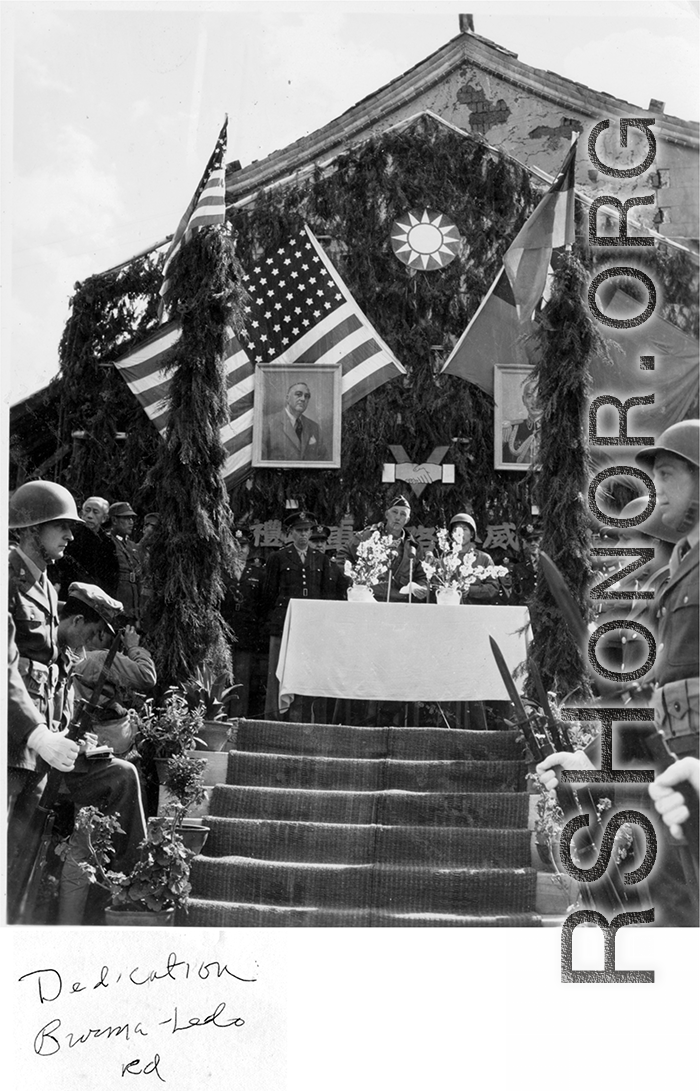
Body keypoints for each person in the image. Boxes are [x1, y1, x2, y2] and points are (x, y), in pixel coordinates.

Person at [535, 420, 699, 925]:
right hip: (673, 780)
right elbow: (656, 701)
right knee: (676, 908)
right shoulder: (681, 575)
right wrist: (590, 758)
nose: (655, 490)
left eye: (667, 474)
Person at [7, 481, 146, 924]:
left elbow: (51, 675)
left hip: (41, 754)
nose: (70, 536)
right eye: (61, 527)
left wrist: (68, 738)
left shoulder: (48, 588)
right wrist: (37, 735)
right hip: (15, 747)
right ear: (31, 529)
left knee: (23, 872)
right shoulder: (9, 579)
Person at [261, 510, 332, 720]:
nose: (303, 535)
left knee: (305, 672)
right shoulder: (278, 557)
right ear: (291, 533)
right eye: (299, 531)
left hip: (310, 625)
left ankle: (300, 720)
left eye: (307, 531)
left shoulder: (320, 559)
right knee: (277, 671)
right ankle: (273, 718)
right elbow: (268, 594)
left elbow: (325, 594)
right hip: (283, 622)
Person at [339, 494, 427, 603]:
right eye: (394, 512)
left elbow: (422, 576)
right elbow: (342, 556)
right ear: (387, 514)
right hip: (368, 599)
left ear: (407, 520)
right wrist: (354, 579)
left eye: (403, 514)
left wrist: (419, 588)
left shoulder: (413, 546)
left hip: (399, 603)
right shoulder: (367, 537)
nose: (398, 517)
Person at [222, 528, 267, 719]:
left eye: (244, 546)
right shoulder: (222, 571)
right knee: (222, 679)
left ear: (250, 549)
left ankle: (236, 722)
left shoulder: (258, 573)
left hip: (247, 632)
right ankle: (219, 718)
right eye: (236, 545)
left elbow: (263, 604)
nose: (240, 550)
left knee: (242, 680)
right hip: (225, 631)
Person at [54, 494, 120, 598]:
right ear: (81, 514)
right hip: (70, 593)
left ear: (104, 518)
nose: (89, 515)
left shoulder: (108, 543)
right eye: (87, 510)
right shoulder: (70, 535)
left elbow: (112, 578)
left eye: (95, 512)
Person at [262, 381, 327, 461]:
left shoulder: (314, 427)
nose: (303, 399)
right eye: (298, 394)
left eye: (307, 396)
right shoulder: (268, 423)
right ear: (287, 398)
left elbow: (323, 460)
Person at [449, 512, 499, 603]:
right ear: (452, 534)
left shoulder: (484, 558)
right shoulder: (446, 559)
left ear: (472, 534)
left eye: (464, 529)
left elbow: (493, 588)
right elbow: (435, 586)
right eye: (456, 530)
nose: (460, 533)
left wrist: (470, 590)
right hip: (449, 611)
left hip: (475, 611)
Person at [108, 501, 142, 626]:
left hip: (133, 604)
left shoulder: (132, 546)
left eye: (132, 518)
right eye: (126, 518)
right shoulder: (107, 543)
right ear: (114, 520)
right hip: (116, 602)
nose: (131, 522)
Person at [310, 523, 350, 600]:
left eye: (323, 541)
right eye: (315, 541)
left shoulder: (333, 566)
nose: (319, 545)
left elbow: (341, 593)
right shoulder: (302, 563)